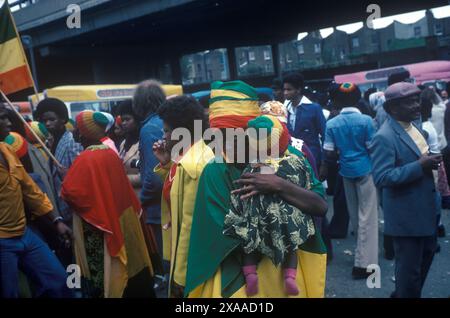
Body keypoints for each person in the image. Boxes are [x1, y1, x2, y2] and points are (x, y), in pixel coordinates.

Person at [184, 80, 328, 298]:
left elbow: (320, 206)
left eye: (235, 133)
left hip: (286, 279)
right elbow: (220, 234)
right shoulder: (215, 171)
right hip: (241, 281)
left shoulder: (289, 158)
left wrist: (278, 185)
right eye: (219, 134)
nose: (226, 142)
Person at [61, 110, 155, 298]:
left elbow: (71, 192)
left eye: (77, 129)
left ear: (83, 133)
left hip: (99, 223)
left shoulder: (87, 158)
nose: (75, 133)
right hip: (118, 217)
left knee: (103, 270)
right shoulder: (109, 153)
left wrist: (67, 177)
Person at [223, 114, 316, 296]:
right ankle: (289, 277)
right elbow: (306, 184)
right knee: (292, 247)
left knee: (249, 244)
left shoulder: (252, 166)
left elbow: (242, 188)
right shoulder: (293, 162)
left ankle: (250, 273)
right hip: (286, 217)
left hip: (257, 216)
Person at [369, 82, 440, 298]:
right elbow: (382, 177)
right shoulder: (384, 136)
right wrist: (420, 166)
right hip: (406, 216)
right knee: (409, 271)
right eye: (409, 102)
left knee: (425, 258)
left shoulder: (413, 125)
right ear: (392, 108)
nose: (416, 106)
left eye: (416, 100)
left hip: (426, 209)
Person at [0, 106, 73, 298]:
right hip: (2, 241)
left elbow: (30, 189)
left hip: (25, 234)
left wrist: (56, 220)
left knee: (59, 282)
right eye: (2, 119)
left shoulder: (7, 150)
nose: (8, 123)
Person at [152, 95, 214, 298]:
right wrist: (166, 165)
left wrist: (180, 275)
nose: (164, 136)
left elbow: (190, 224)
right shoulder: (190, 156)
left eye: (167, 130)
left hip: (189, 266)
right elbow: (176, 192)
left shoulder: (192, 166)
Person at [321, 83, 378, 279]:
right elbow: (373, 148)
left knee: (355, 217)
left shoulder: (332, 124)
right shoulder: (367, 121)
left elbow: (328, 152)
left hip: (345, 171)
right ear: (358, 98)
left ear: (336, 101)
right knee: (368, 217)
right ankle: (364, 264)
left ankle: (360, 255)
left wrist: (340, 153)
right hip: (366, 170)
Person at [132, 80, 166, 261]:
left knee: (167, 259)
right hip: (173, 201)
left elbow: (154, 176)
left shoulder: (148, 129)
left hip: (158, 208)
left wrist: (142, 198)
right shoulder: (166, 122)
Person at [35, 98, 83, 222]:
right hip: (62, 209)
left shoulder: (72, 142)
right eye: (44, 120)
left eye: (52, 119)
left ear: (63, 119)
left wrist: (68, 176)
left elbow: (81, 177)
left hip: (75, 209)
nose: (47, 124)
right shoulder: (51, 143)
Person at [282, 72, 326, 166]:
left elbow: (324, 135)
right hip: (291, 159)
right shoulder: (283, 109)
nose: (285, 92)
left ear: (298, 90)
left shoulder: (314, 108)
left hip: (312, 157)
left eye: (289, 89)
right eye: (284, 89)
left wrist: (324, 163)